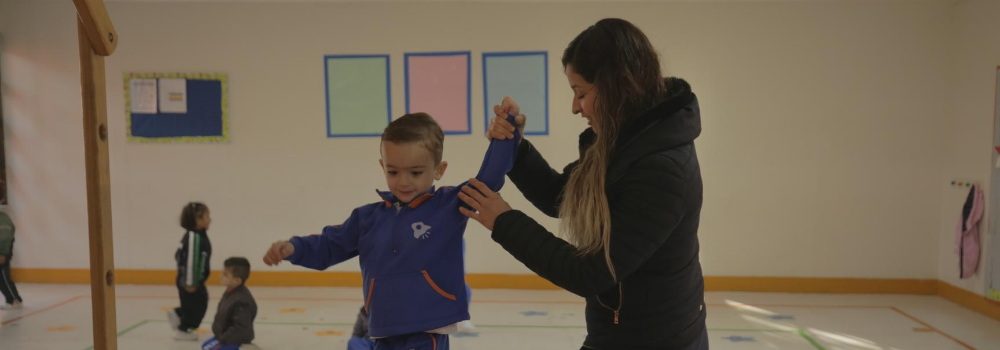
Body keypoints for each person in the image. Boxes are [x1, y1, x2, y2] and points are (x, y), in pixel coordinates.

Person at [459, 18, 708, 350]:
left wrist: (503, 221)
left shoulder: (662, 170)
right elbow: (561, 197)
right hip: (618, 332)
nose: (575, 107)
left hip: (657, 339)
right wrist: (516, 150)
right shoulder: (624, 140)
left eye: (581, 93)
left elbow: (590, 273)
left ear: (617, 86)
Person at [263, 112, 519, 350]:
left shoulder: (449, 205)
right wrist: (294, 248)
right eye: (393, 171)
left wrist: (505, 136)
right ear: (382, 165)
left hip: (427, 330)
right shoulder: (366, 218)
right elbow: (330, 245)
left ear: (439, 170)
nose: (403, 181)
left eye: (416, 172)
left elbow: (489, 180)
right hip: (382, 330)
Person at [168, 202, 214, 341]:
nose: (210, 219)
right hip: (190, 280)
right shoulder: (194, 237)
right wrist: (190, 282)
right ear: (198, 220)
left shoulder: (198, 235)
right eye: (207, 216)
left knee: (199, 303)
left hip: (195, 279)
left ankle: (178, 314)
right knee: (196, 307)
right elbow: (190, 260)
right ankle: (183, 330)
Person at [201, 257, 258, 350]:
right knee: (204, 346)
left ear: (237, 280)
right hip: (224, 335)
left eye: (225, 274)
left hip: (235, 339)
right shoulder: (230, 291)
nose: (220, 276)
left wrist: (224, 339)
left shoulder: (241, 301)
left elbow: (240, 328)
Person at [0, 207, 23, 310]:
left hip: (2, 252)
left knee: (4, 277)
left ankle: (15, 300)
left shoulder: (3, 218)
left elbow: (6, 236)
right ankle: (10, 300)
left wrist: (3, 253)